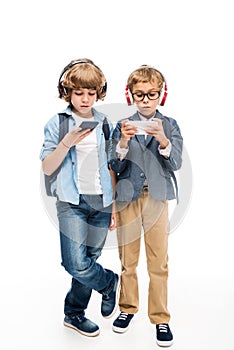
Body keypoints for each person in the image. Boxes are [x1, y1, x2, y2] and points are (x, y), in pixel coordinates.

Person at [40, 58, 119, 337]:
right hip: (71, 203)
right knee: (74, 263)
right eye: (79, 92)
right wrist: (66, 143)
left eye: (91, 92)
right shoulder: (58, 123)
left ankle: (74, 314)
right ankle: (108, 283)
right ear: (67, 92)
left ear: (99, 92)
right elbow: (48, 166)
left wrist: (114, 208)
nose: (85, 99)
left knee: (89, 257)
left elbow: (111, 166)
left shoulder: (105, 123)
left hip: (101, 201)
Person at [110, 65, 183, 347]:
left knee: (158, 261)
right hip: (127, 198)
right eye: (139, 94)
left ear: (161, 95)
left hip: (157, 197)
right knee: (128, 260)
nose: (145, 100)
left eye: (151, 94)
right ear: (130, 96)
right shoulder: (122, 126)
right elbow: (114, 165)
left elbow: (175, 163)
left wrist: (163, 139)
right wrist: (124, 142)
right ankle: (127, 308)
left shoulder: (171, 125)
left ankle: (160, 317)